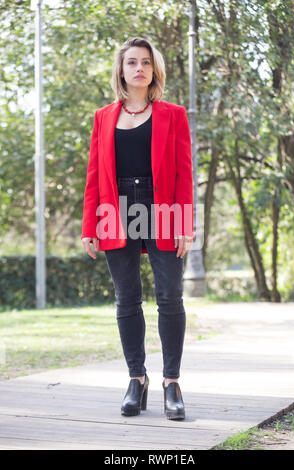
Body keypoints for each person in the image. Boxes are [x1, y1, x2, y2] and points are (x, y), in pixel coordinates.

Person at [81, 37, 194, 420]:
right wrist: (89, 225)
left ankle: (171, 383)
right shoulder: (103, 117)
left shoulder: (173, 114)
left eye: (146, 62)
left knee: (170, 295)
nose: (139, 68)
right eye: (132, 62)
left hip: (163, 208)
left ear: (154, 70)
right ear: (122, 70)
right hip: (116, 209)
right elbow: (94, 175)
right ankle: (136, 379)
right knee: (126, 298)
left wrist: (185, 223)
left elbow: (183, 173)